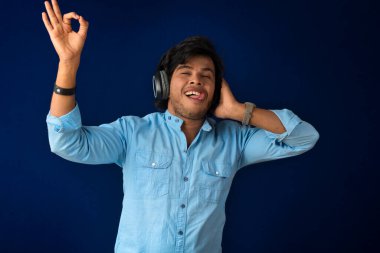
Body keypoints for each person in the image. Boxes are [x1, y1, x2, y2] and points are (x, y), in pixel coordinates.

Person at [42, 0, 319, 252]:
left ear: (216, 88)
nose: (196, 80)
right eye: (185, 72)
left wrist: (237, 110)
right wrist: (68, 62)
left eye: (206, 76)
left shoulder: (236, 141)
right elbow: (66, 142)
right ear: (163, 84)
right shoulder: (131, 133)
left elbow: (304, 137)